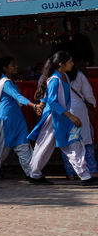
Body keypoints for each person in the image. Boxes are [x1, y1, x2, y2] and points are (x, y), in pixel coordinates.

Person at [26, 51, 95, 186]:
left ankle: (84, 176)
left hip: (61, 117)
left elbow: (49, 97)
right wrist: (70, 115)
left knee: (69, 144)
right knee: (63, 145)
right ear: (61, 64)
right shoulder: (55, 80)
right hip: (54, 118)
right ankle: (84, 176)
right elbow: (53, 101)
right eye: (70, 62)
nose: (72, 64)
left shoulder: (64, 78)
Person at [0, 57, 39, 180]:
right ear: (5, 68)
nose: (16, 66)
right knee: (3, 147)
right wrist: (33, 106)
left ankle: (31, 173)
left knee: (23, 144)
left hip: (16, 118)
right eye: (12, 65)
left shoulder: (11, 82)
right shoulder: (5, 82)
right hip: (6, 118)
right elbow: (17, 96)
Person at [65, 58, 96, 179]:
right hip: (79, 110)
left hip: (63, 112)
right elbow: (88, 94)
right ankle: (92, 171)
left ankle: (70, 173)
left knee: (69, 142)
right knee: (86, 141)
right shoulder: (79, 75)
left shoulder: (54, 77)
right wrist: (92, 106)